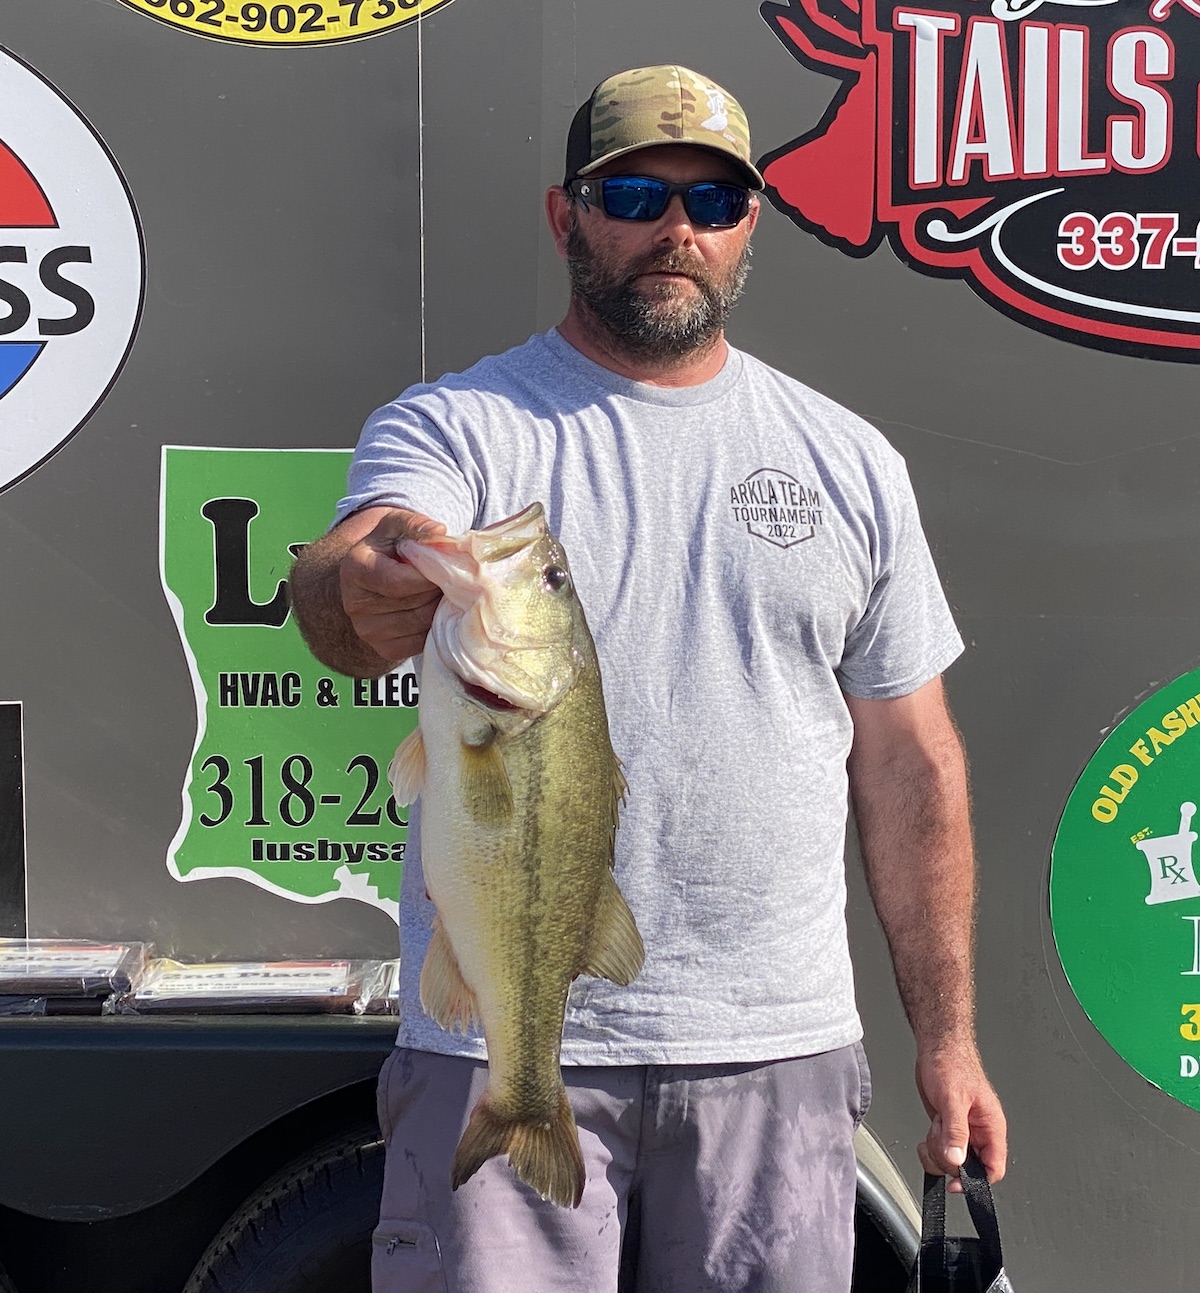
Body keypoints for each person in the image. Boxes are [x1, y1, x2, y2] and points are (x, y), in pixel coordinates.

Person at [290, 63, 1007, 1293]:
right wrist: (368, 573)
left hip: (775, 1049)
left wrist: (949, 1044)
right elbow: (347, 587)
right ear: (566, 217)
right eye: (634, 194)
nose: (677, 228)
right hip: (497, 1044)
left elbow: (911, 764)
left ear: (748, 227)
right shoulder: (461, 425)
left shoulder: (849, 461)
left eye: (712, 202)